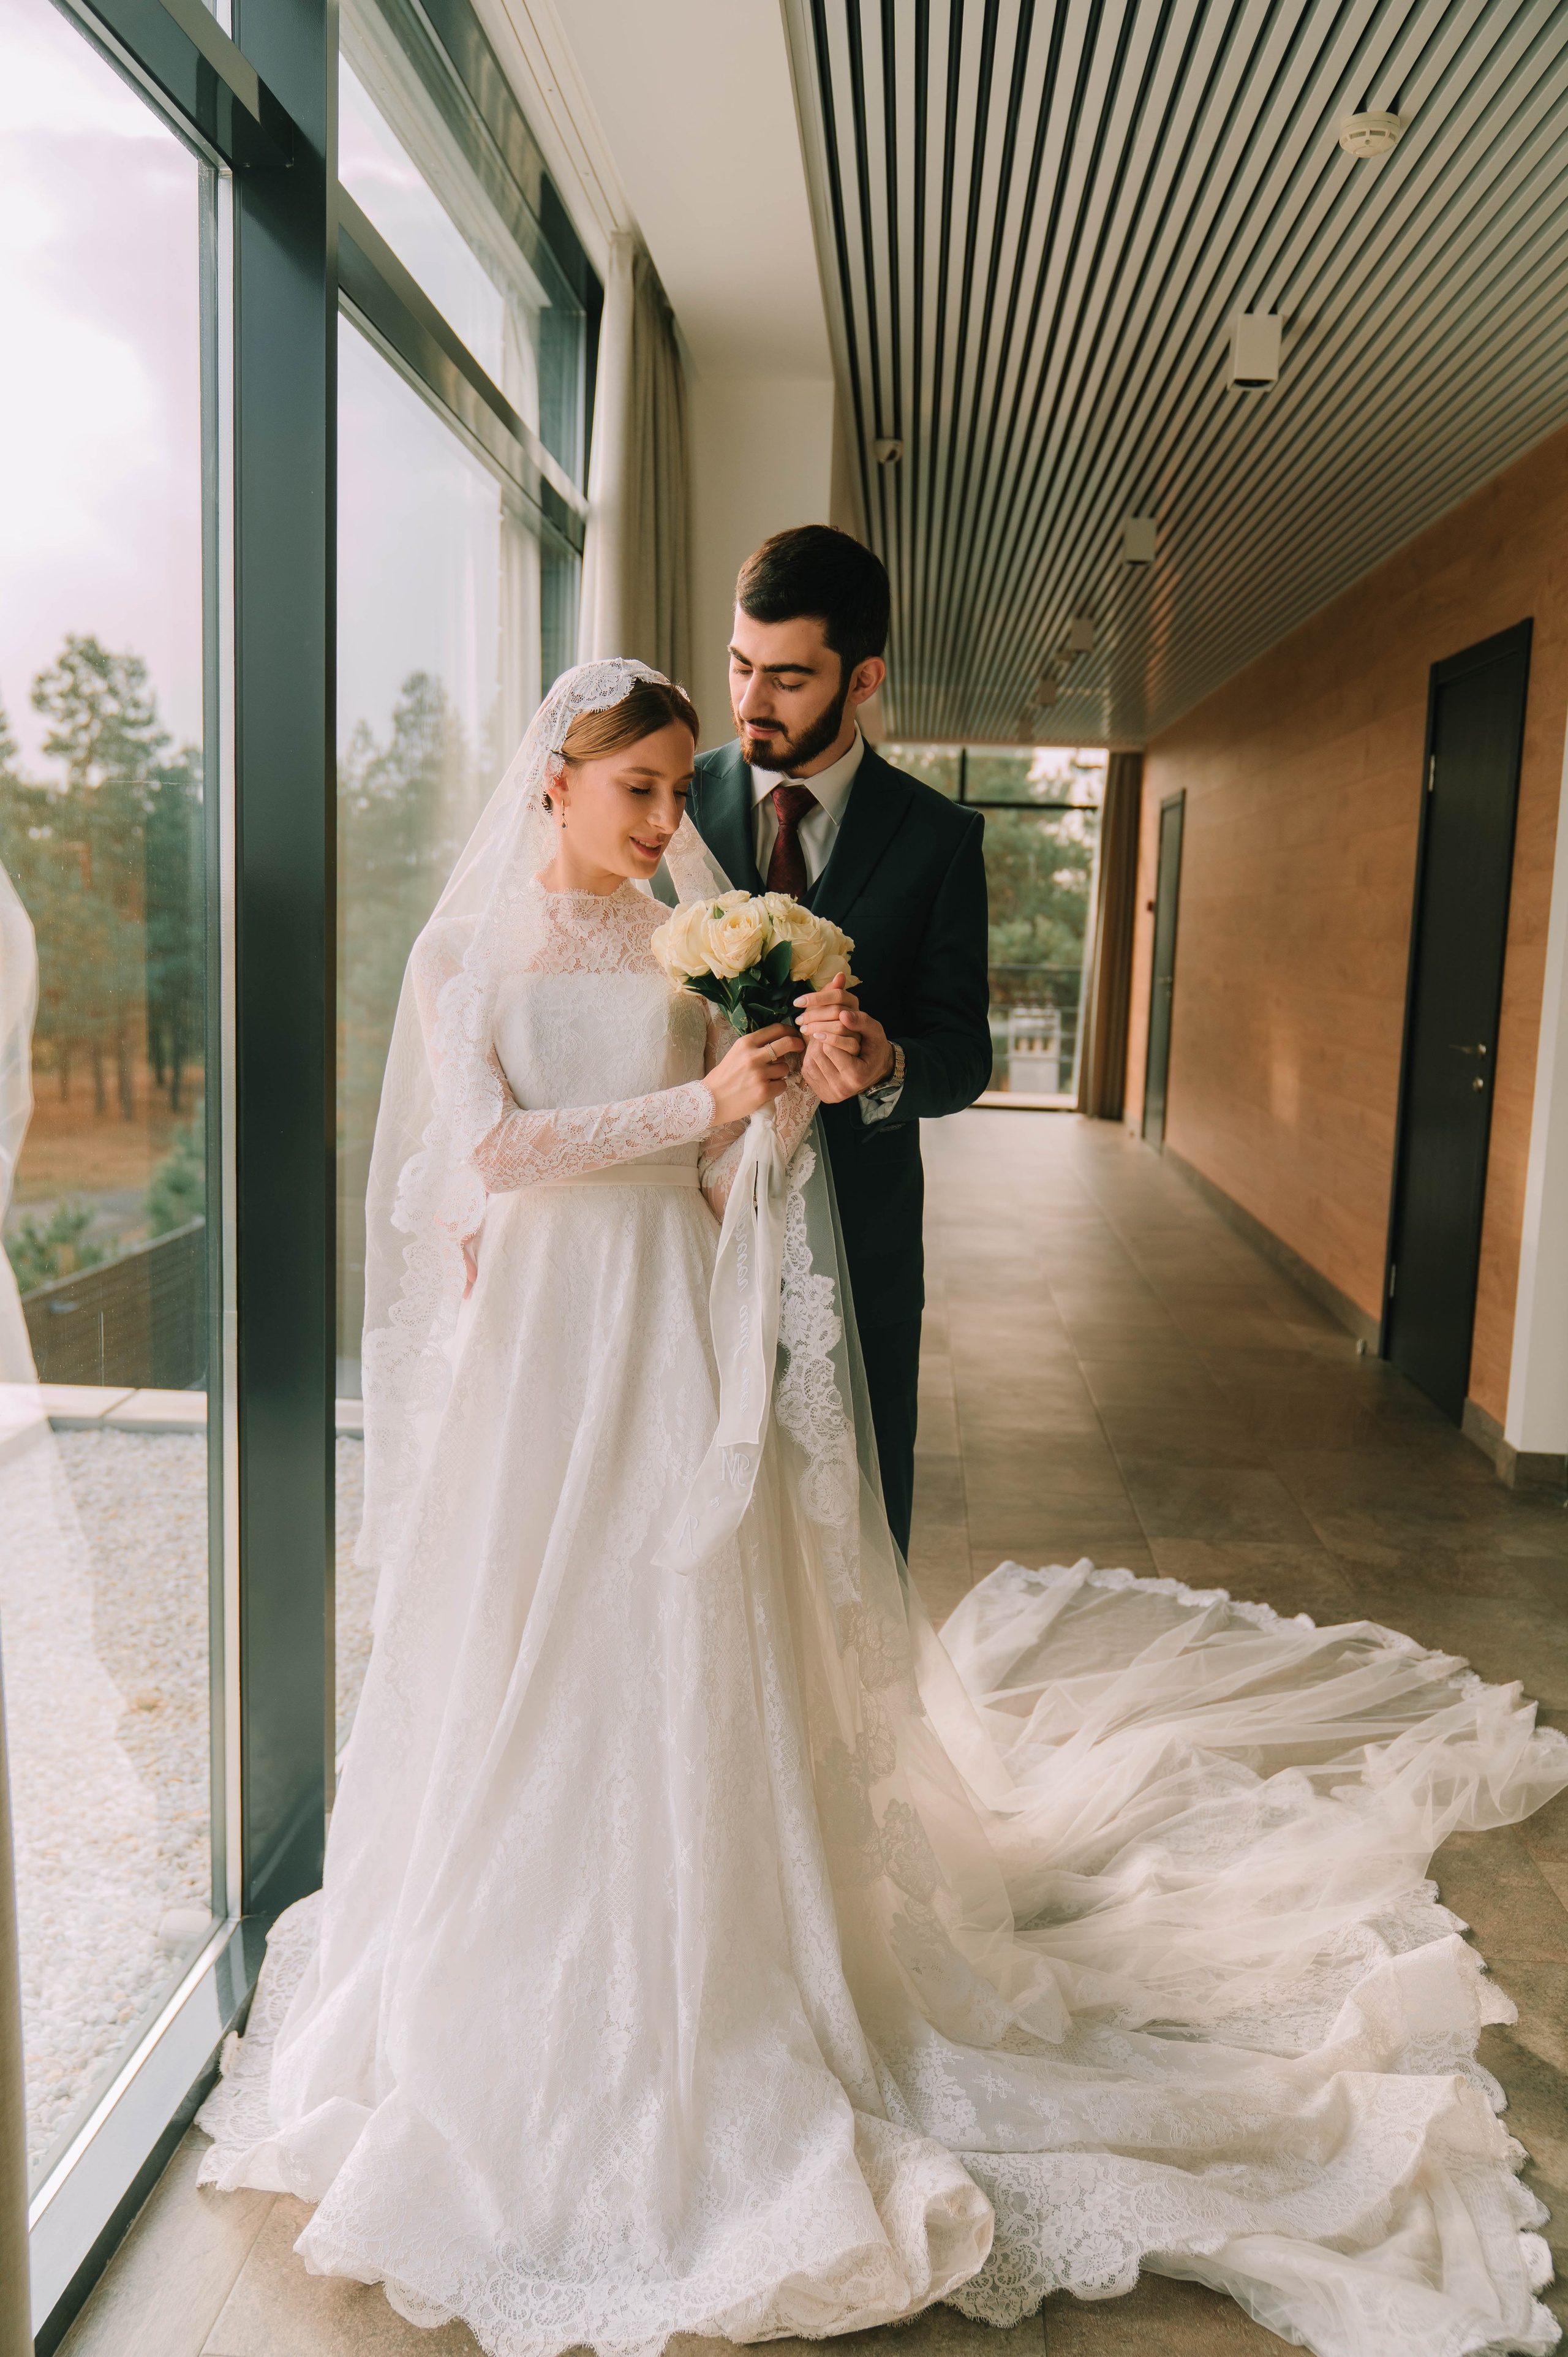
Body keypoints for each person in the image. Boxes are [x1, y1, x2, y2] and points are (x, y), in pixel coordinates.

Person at [198, 658, 1568, 2357]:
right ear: (555, 780)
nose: (665, 821)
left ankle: (726, 1966)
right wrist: (698, 1101)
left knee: (682, 1622)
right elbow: (485, 1156)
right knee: (532, 1636)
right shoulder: (459, 953)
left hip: (667, 1325)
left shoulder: (682, 939)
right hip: (541, 1348)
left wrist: (776, 1113)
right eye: (638, 789)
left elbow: (719, 1169)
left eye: (678, 786)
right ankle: (514, 1980)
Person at [684, 526, 993, 1557]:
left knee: (854, 1515)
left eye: (786, 677)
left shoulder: (942, 840)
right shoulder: (666, 806)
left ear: (862, 678)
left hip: (858, 1233)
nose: (749, 701)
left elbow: (965, 1052)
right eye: (738, 664)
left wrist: (887, 1065)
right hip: (685, 1227)